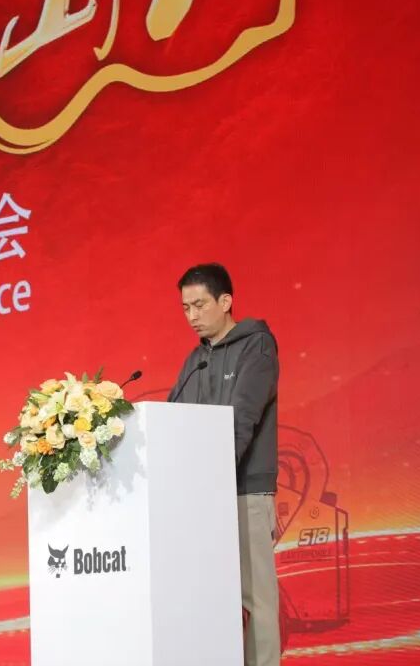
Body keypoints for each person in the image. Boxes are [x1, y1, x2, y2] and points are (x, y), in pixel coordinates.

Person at [169, 263, 280, 666]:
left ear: (226, 301)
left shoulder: (257, 346)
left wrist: (212, 480)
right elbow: (172, 421)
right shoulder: (194, 362)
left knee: (256, 599)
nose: (192, 316)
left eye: (199, 305)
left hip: (244, 490)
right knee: (209, 596)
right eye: (185, 308)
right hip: (201, 497)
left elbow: (243, 417)